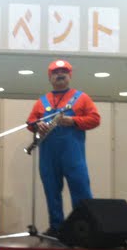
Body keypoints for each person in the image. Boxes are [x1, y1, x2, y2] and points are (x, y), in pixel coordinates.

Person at [27, 59, 100, 236]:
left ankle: (84, 229)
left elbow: (95, 119)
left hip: (73, 155)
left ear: (70, 76)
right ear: (50, 77)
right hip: (48, 155)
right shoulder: (42, 101)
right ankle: (56, 227)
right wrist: (37, 125)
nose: (60, 75)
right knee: (51, 190)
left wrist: (74, 121)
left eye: (64, 72)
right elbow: (30, 122)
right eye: (55, 72)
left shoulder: (82, 98)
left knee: (81, 189)